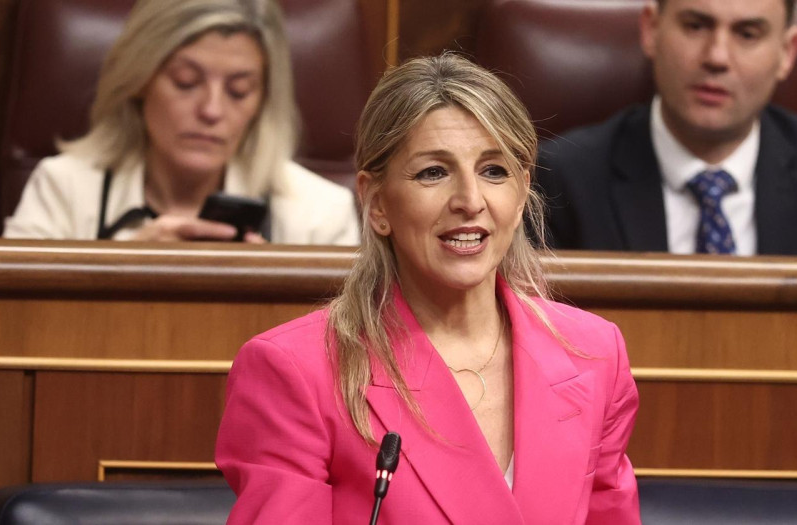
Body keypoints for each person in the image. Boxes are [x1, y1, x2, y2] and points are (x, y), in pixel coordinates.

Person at [216, 54, 640, 524]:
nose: (470, 201)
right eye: (433, 173)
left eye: (494, 171)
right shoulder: (296, 373)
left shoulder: (594, 356)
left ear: (521, 195)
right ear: (376, 203)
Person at [537, 0, 797, 256]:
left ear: (787, 52)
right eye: (696, 25)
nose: (717, 57)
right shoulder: (563, 179)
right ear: (651, 29)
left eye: (748, 34)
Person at [3, 0, 358, 245]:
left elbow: (345, 350)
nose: (211, 110)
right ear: (139, 79)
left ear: (262, 100)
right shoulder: (61, 190)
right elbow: (13, 332)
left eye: (239, 90)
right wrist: (124, 268)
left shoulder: (320, 215)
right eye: (186, 81)